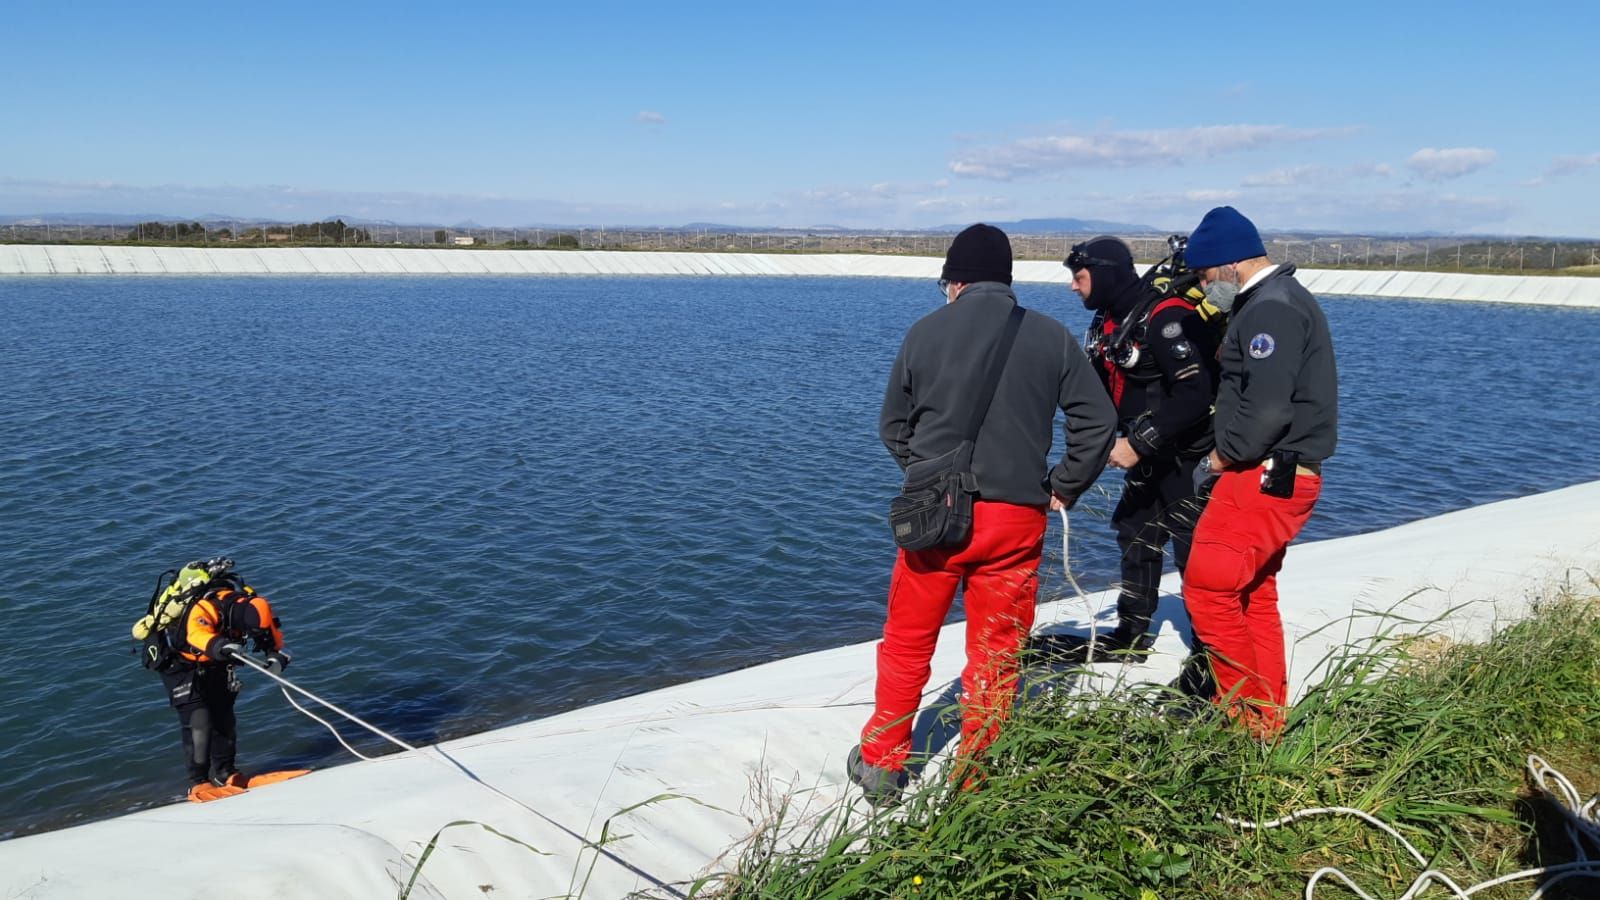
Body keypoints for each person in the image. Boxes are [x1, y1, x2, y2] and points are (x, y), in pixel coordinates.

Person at [847, 223, 1117, 805]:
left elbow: (892, 427)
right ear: (1006, 280)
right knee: (997, 652)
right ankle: (976, 778)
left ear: (956, 281)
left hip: (934, 518)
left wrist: (926, 473)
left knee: (907, 640)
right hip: (1016, 519)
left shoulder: (925, 332)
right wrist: (1064, 485)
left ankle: (884, 763)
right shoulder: (1050, 336)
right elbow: (1097, 423)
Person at [1181, 206, 1337, 738]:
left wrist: (1219, 458)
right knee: (1252, 595)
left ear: (1229, 263)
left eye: (1204, 275)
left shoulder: (1270, 309)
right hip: (1284, 472)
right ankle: (1267, 721)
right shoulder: (1277, 300)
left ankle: (1243, 723)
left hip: (1264, 472)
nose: (1203, 287)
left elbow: (1268, 409)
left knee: (1207, 591)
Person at [1041, 236, 1220, 663]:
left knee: (1192, 549)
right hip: (1149, 457)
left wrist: (1139, 443)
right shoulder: (1110, 321)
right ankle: (1130, 635)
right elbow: (1096, 395)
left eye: (1079, 277)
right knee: (1136, 533)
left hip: (1186, 458)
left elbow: (1196, 393)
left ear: (1104, 275)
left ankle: (1211, 649)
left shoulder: (1166, 317)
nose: (1073, 286)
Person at [148, 562, 293, 801]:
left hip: (217, 664)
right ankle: (198, 782)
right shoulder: (205, 607)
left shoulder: (253, 605)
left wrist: (275, 655)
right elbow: (196, 634)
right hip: (181, 664)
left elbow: (270, 631)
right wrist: (220, 645)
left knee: (224, 717)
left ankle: (227, 773)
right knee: (199, 719)